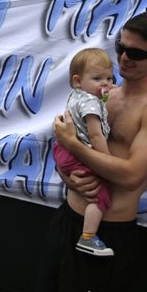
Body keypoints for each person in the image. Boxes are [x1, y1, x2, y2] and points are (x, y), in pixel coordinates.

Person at [39, 11, 147, 292]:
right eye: (121, 47)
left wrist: (73, 146)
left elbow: (131, 176)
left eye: (137, 53)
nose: (125, 57)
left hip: (107, 234)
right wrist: (67, 175)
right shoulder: (103, 95)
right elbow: (69, 148)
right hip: (67, 220)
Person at [52, 48, 115, 257]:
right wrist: (108, 161)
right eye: (97, 78)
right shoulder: (90, 103)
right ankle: (88, 237)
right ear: (78, 81)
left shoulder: (77, 95)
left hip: (63, 151)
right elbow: (96, 135)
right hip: (77, 154)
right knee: (101, 197)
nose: (105, 83)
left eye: (109, 77)